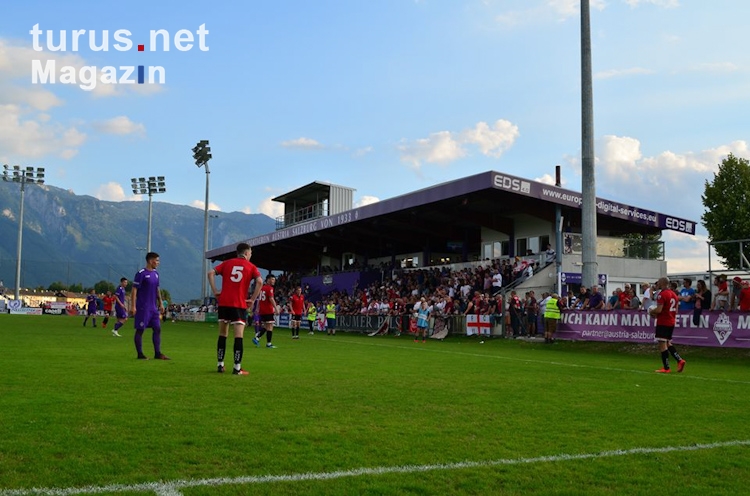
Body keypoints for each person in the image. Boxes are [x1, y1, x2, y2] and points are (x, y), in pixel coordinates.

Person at [207, 242, 263, 375]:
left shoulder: (227, 263)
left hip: (224, 303)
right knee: (238, 336)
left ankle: (220, 365)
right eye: (250, 253)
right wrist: (253, 299)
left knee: (222, 335)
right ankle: (237, 368)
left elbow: (210, 273)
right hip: (238, 304)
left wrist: (215, 291)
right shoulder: (251, 266)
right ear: (247, 253)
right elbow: (260, 282)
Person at [131, 252, 169, 360]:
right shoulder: (141, 273)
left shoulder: (156, 274)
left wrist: (161, 302)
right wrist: (133, 306)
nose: (158, 263)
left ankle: (157, 353)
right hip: (143, 307)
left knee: (157, 329)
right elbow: (134, 290)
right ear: (150, 261)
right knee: (140, 329)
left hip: (153, 308)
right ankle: (140, 354)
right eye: (157, 260)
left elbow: (157, 289)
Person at [649, 277, 685, 374]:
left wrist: (651, 311)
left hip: (663, 322)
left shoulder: (662, 294)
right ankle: (680, 360)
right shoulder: (674, 295)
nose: (658, 285)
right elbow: (676, 310)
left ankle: (666, 367)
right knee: (668, 343)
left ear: (662, 283)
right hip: (671, 321)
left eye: (659, 283)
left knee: (662, 344)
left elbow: (659, 310)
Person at [254, 274, 279, 348]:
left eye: (274, 279)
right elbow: (271, 298)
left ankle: (257, 337)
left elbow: (259, 299)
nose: (273, 281)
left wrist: (257, 308)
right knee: (270, 326)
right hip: (268, 310)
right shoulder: (270, 288)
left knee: (266, 326)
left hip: (263, 310)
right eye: (272, 279)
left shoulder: (262, 288)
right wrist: (276, 308)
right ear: (268, 280)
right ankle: (268, 343)